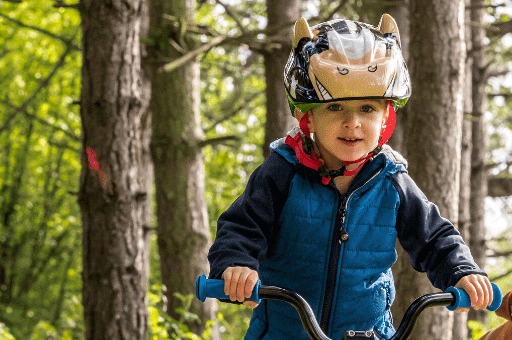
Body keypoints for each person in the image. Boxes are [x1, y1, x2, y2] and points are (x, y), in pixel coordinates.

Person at [206, 14, 494, 340]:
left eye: (367, 109)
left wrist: (462, 272)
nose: (352, 123)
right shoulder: (281, 172)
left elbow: (435, 237)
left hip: (369, 333)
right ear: (307, 116)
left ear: (386, 116)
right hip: (284, 332)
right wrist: (237, 264)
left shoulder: (392, 181)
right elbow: (242, 226)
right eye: (335, 108)